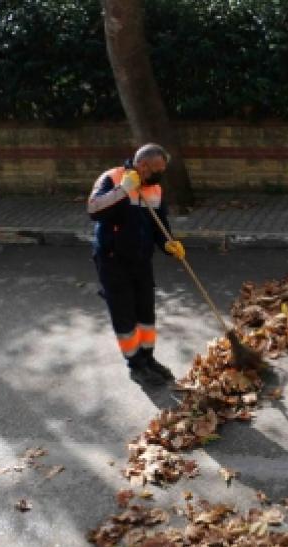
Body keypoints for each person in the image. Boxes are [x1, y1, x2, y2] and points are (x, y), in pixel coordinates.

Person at [87, 143, 187, 385]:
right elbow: (93, 209)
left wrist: (168, 244)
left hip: (141, 261)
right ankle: (136, 365)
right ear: (143, 165)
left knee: (145, 312)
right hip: (113, 261)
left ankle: (148, 358)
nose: (161, 174)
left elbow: (159, 225)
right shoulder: (112, 178)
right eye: (157, 169)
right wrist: (123, 190)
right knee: (124, 315)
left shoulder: (154, 189)